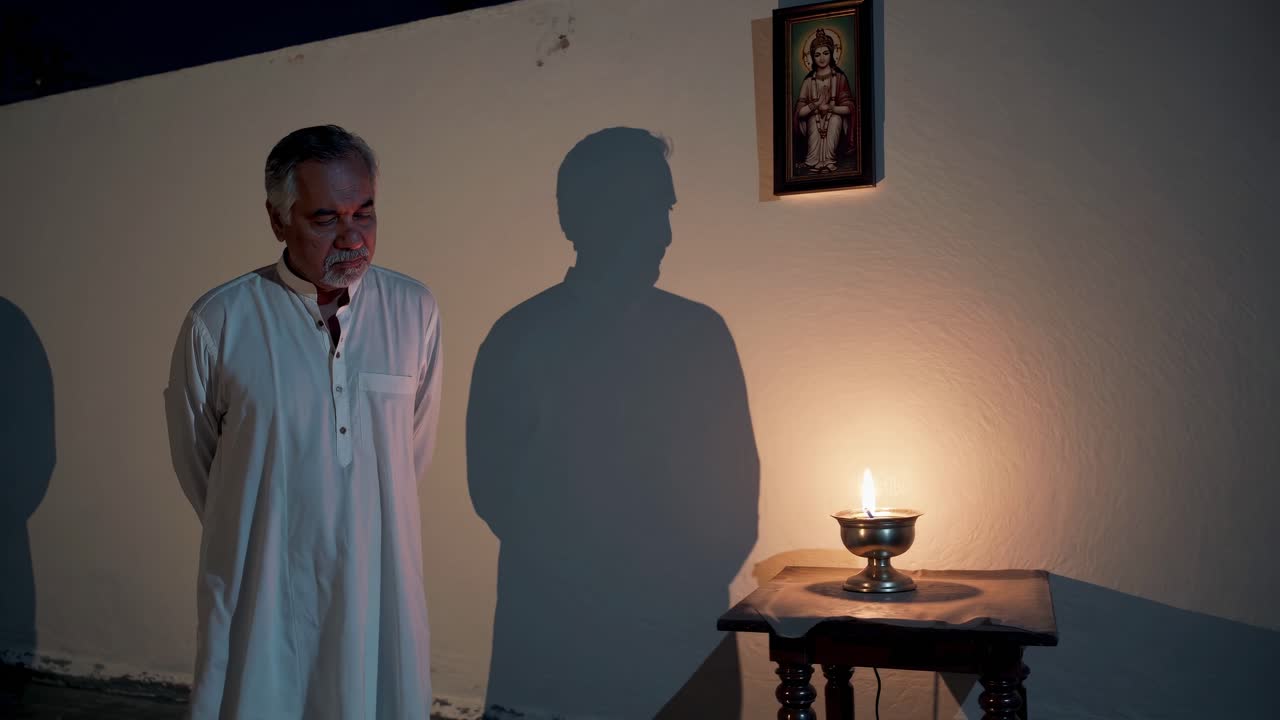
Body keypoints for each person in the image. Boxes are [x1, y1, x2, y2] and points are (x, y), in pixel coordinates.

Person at [164, 125, 442, 719]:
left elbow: (410, 451)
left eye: (364, 212)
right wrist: (266, 517)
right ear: (278, 219)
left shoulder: (415, 310)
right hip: (261, 590)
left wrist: (355, 510)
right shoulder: (221, 321)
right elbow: (201, 466)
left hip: (377, 588)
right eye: (326, 219)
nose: (353, 236)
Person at [794, 28, 857, 173]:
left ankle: (829, 160)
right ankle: (813, 161)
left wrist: (830, 108)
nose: (822, 58)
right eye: (817, 55)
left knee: (835, 120)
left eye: (825, 53)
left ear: (832, 54)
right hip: (814, 117)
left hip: (833, 115)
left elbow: (850, 108)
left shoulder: (839, 78)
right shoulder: (809, 81)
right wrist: (815, 104)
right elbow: (799, 113)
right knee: (813, 122)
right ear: (812, 57)